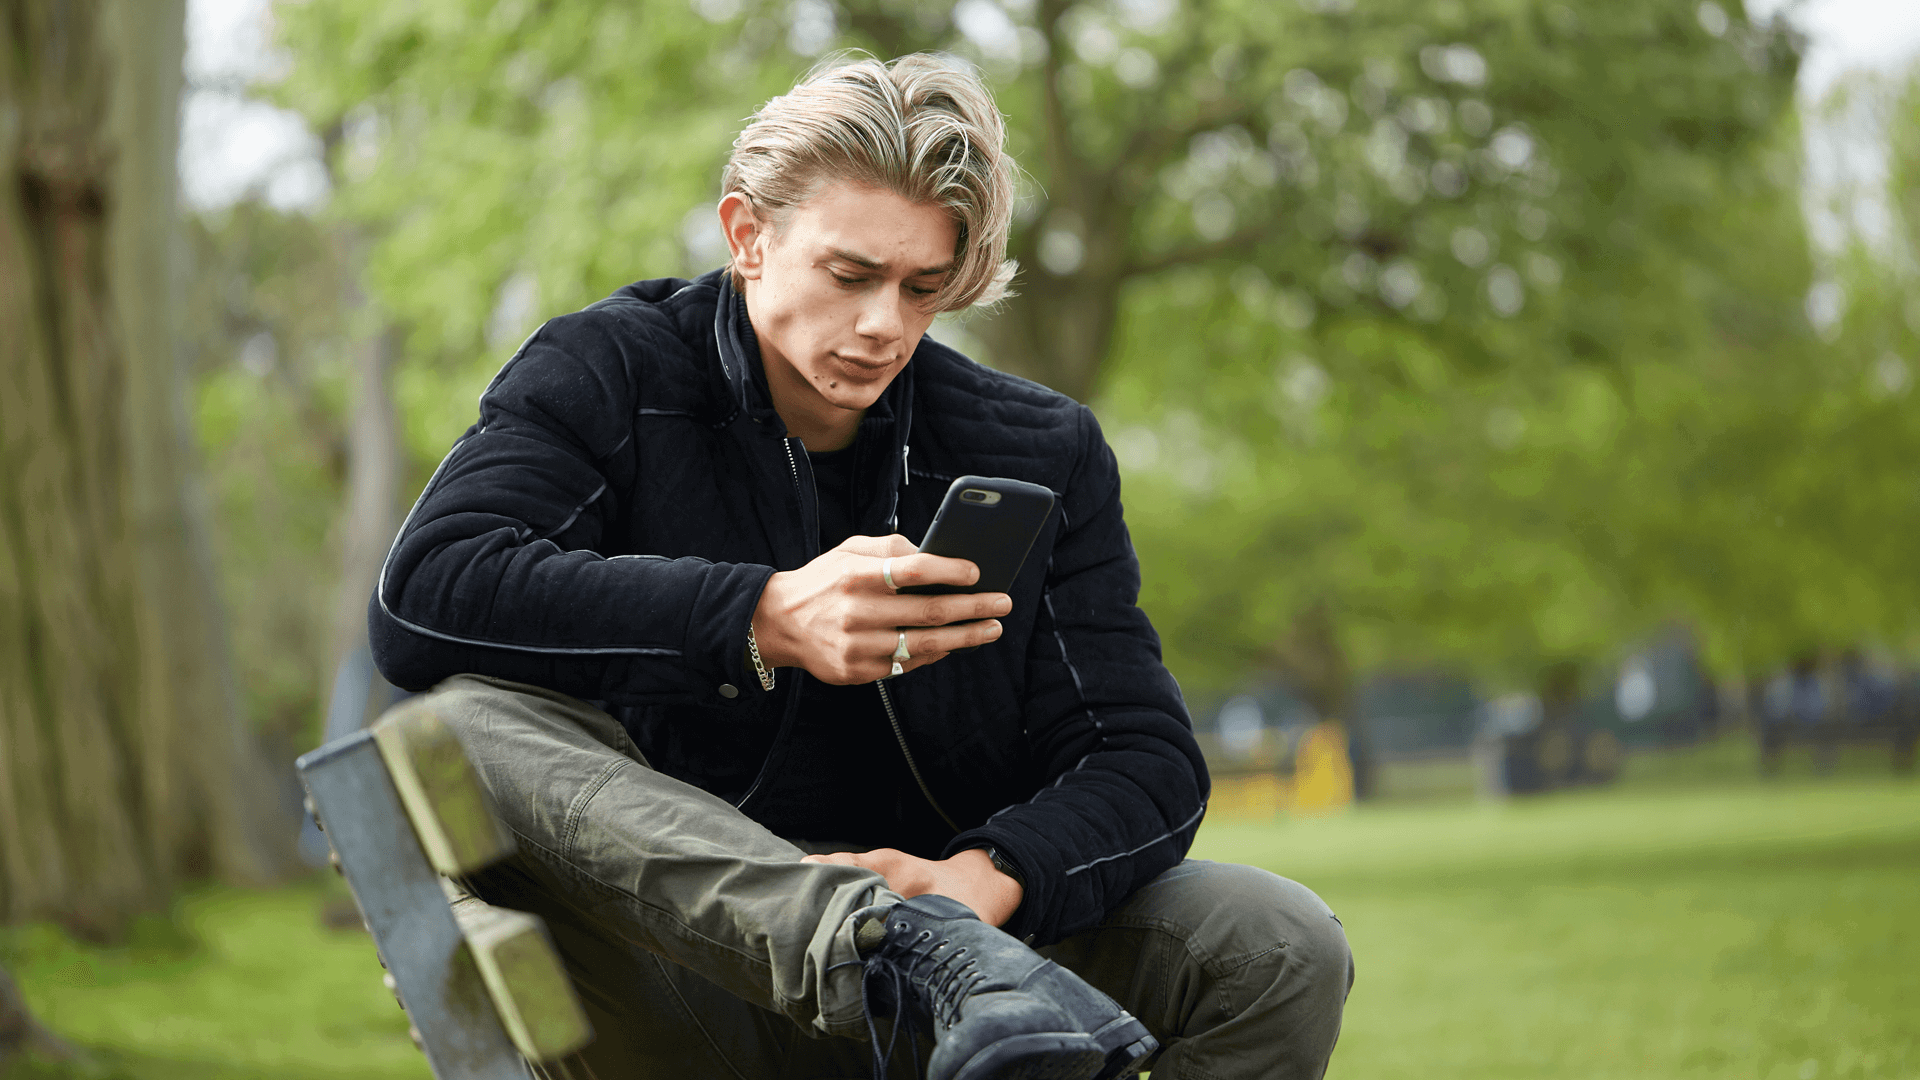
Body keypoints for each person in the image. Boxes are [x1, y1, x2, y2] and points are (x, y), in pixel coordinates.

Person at [370, 52, 1352, 1080]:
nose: (885, 324)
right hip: (692, 972)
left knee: (1281, 942)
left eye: (924, 288)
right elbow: (427, 592)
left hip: (996, 986)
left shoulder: (1036, 449)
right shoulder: (608, 371)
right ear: (749, 235)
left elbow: (1144, 757)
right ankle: (876, 946)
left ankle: (929, 950)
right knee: (449, 728)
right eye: (850, 275)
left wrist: (985, 879)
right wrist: (760, 616)